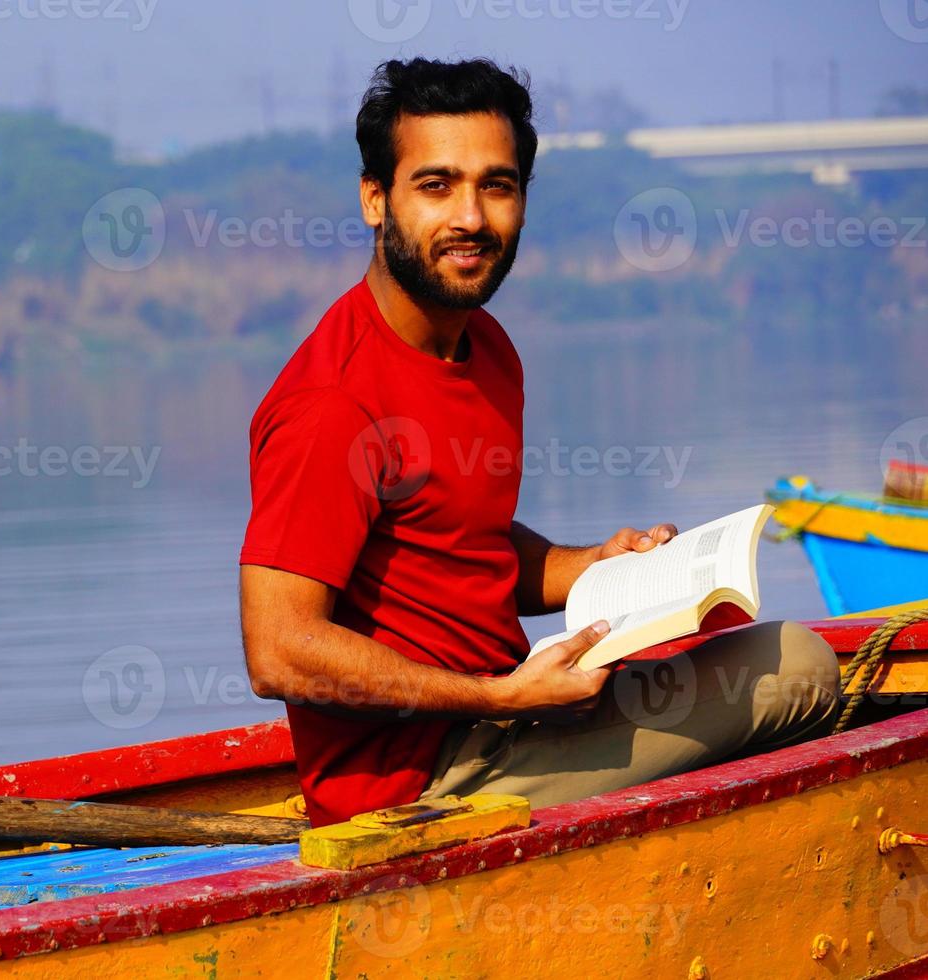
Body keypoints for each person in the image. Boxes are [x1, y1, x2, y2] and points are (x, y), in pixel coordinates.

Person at [237, 57, 841, 829]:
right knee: (799, 665)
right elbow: (279, 651)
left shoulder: (485, 349)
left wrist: (591, 567)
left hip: (511, 713)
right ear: (374, 200)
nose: (470, 218)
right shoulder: (334, 404)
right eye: (436, 186)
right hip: (424, 781)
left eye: (497, 185)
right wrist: (499, 695)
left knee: (721, 626)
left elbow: (457, 541)